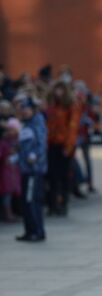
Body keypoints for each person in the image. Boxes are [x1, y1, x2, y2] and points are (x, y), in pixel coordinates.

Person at [14, 97, 47, 242]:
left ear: (32, 110)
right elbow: (23, 145)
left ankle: (37, 231)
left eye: (26, 109)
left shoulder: (37, 124)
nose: (24, 112)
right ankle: (29, 231)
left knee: (31, 200)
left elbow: (41, 144)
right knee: (26, 201)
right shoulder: (26, 124)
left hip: (33, 169)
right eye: (23, 110)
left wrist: (35, 156)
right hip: (25, 168)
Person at [45, 80, 79, 215]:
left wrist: (68, 146)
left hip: (64, 145)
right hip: (50, 144)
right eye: (56, 89)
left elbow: (73, 127)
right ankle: (52, 204)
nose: (58, 92)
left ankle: (63, 204)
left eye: (61, 90)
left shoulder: (70, 106)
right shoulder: (50, 105)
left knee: (63, 176)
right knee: (51, 176)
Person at [0, 101, 21, 222]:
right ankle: (8, 214)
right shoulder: (4, 143)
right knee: (7, 194)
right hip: (6, 172)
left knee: (13, 193)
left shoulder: (18, 142)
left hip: (13, 172)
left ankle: (14, 212)